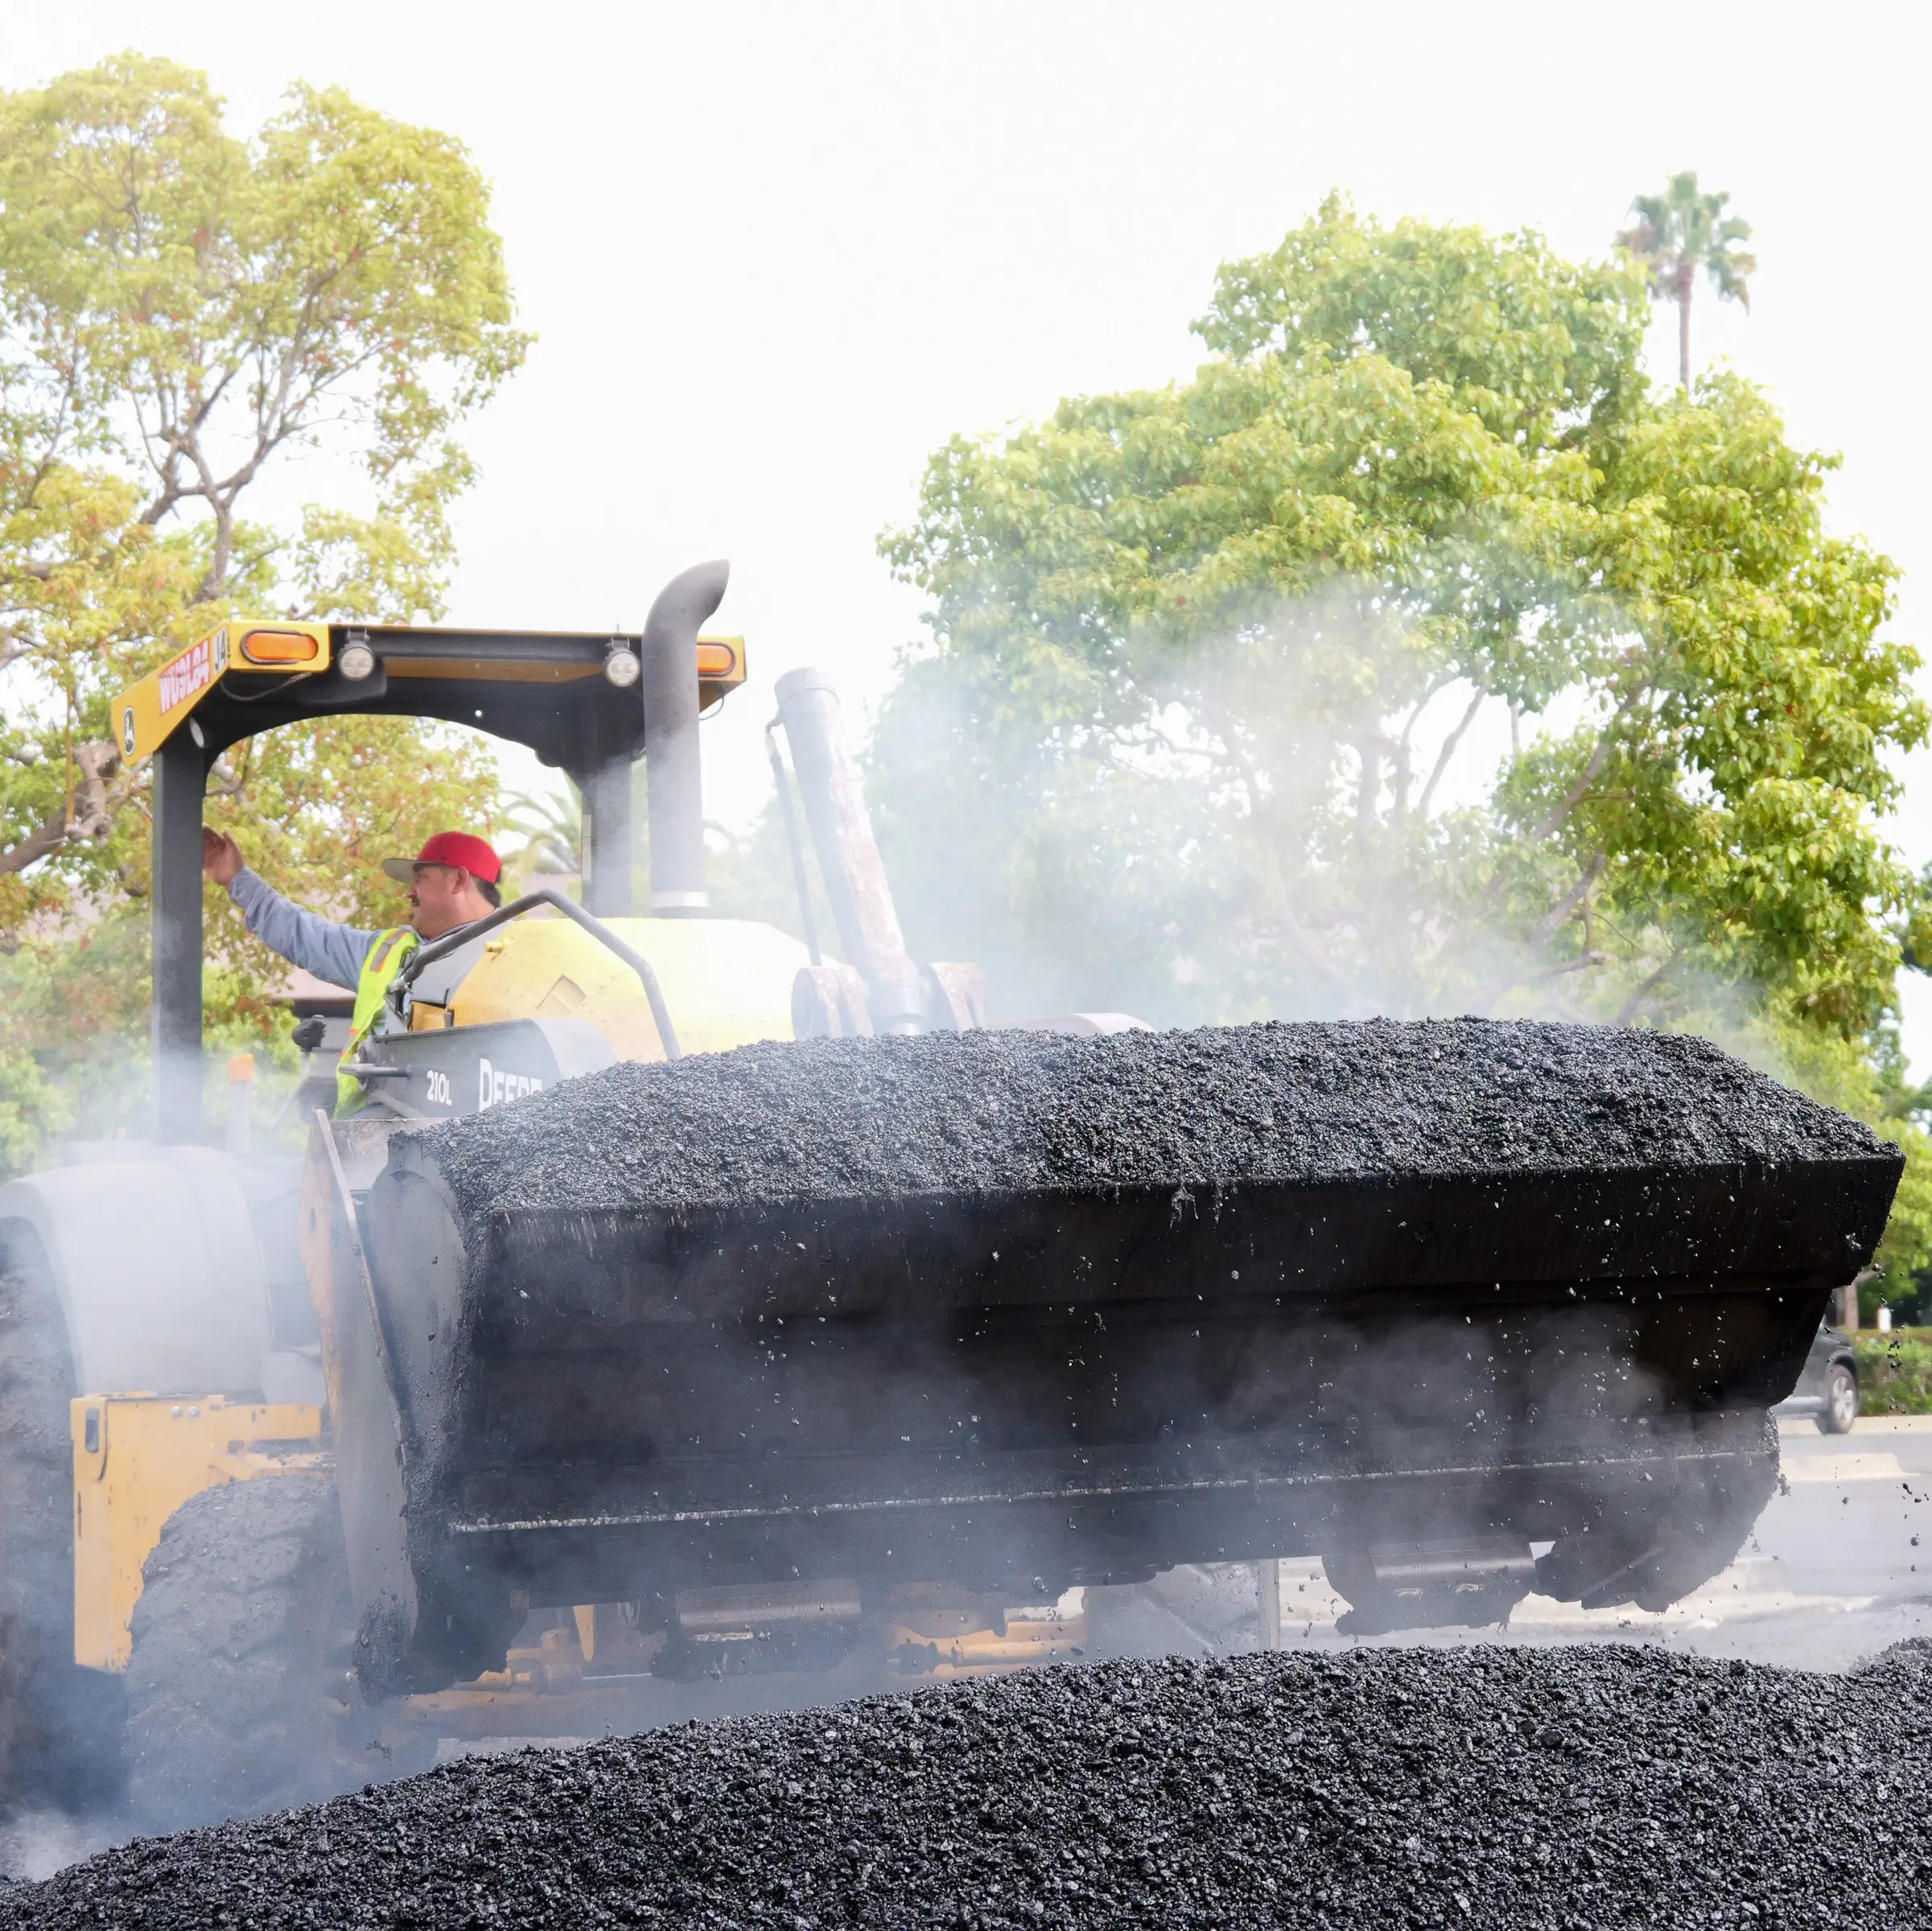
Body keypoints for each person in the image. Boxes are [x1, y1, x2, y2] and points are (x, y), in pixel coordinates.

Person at [202, 827, 505, 1111]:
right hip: (367, 1142)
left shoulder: (513, 955)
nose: (409, 892)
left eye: (421, 878)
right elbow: (308, 937)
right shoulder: (390, 949)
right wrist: (236, 879)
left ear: (459, 881)